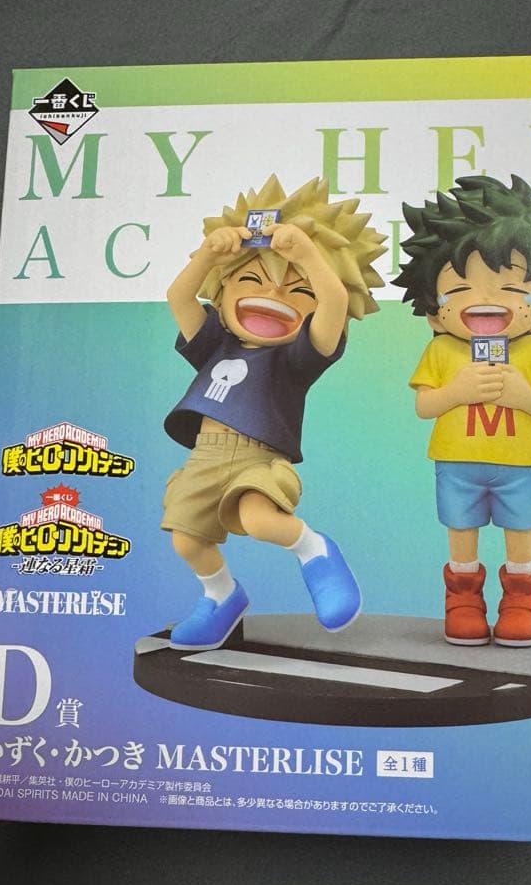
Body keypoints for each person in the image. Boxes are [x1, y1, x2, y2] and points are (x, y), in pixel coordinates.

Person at [161, 174, 385, 649]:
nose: (272, 296)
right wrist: (207, 256)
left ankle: (316, 552)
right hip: (204, 455)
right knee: (186, 539)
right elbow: (178, 297)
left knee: (261, 519)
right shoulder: (214, 343)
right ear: (224, 289)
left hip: (257, 456)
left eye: (296, 289)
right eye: (252, 279)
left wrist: (309, 257)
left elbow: (334, 301)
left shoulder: (296, 358)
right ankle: (221, 595)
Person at [394, 174, 531, 646]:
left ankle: (521, 599)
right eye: (459, 289)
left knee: (520, 531)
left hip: (522, 464)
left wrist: (523, 396)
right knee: (461, 530)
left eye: (511, 288)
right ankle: (462, 599)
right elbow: (424, 406)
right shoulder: (441, 350)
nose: (484, 301)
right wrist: (457, 390)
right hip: (458, 463)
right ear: (434, 312)